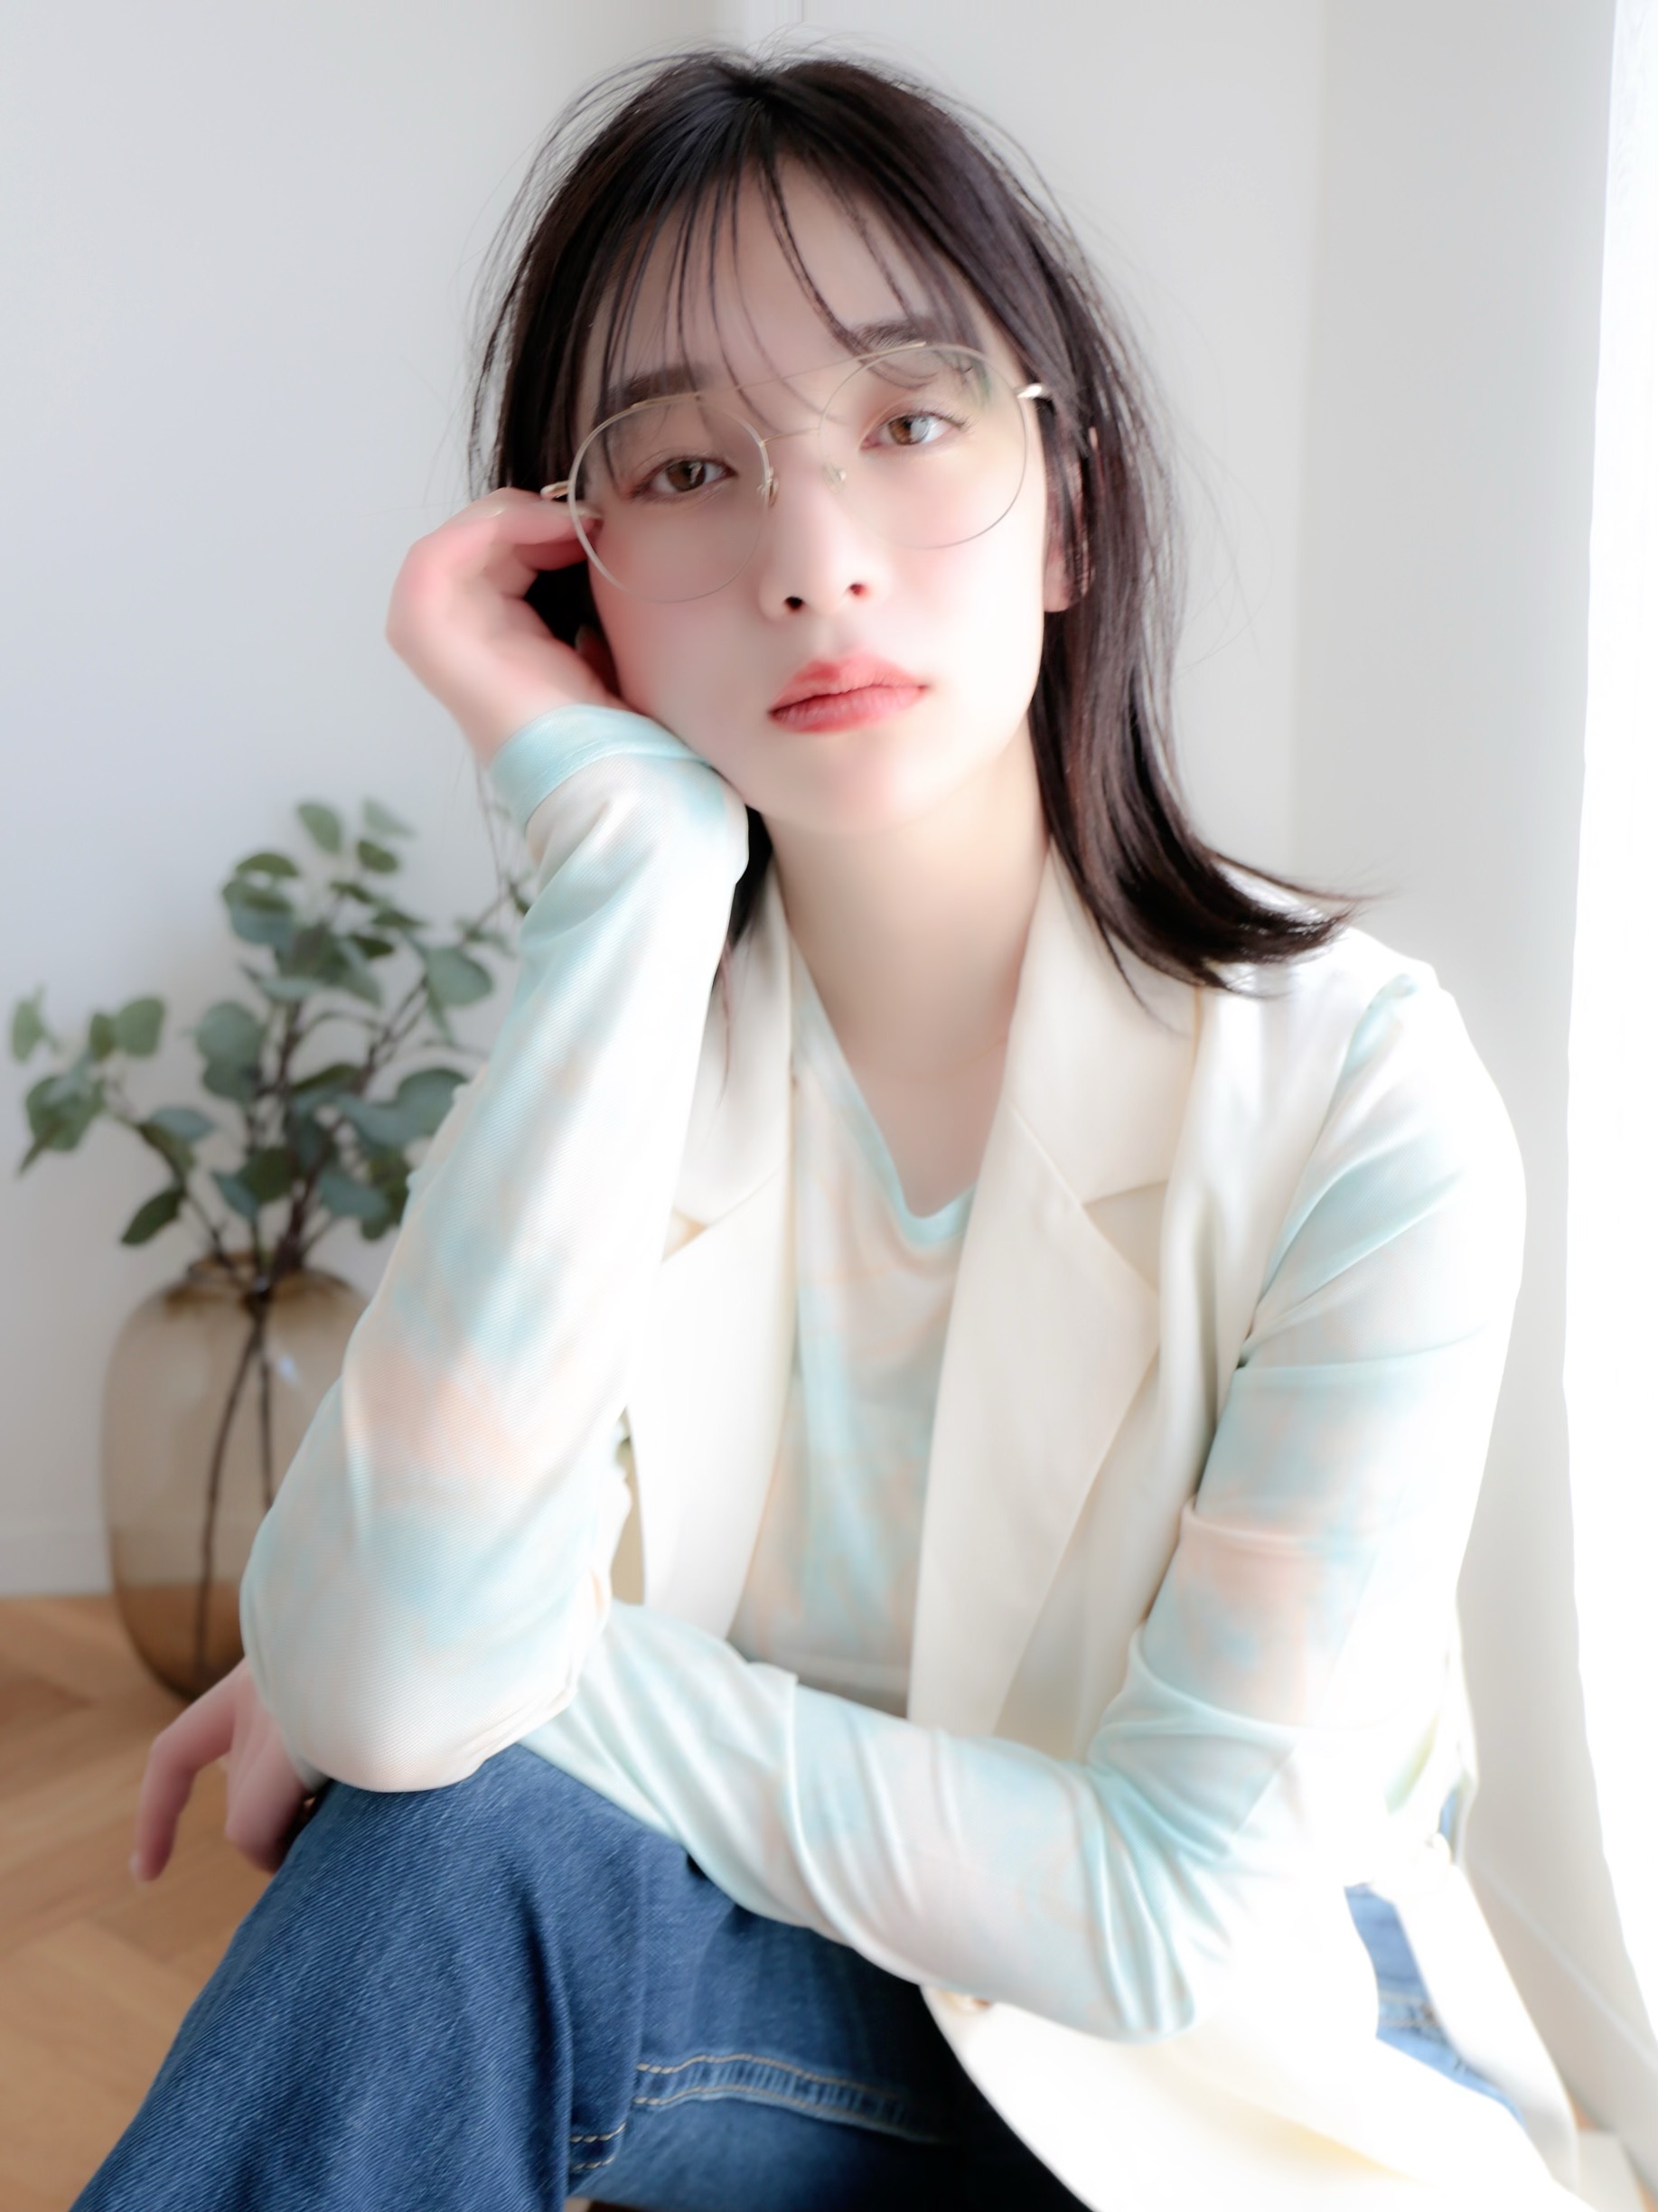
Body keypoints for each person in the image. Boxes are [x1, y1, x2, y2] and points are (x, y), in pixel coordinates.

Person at [78, 45, 1584, 2212]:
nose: (812, 561)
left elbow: (1165, 1921)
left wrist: (532, 1661)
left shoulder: (1362, 1098)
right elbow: (394, 1700)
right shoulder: (610, 1053)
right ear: (582, 587)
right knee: (449, 1840)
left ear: (1070, 512)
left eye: (909, 423)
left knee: (474, 1781)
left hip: (1227, 2093)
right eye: (688, 467)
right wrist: (624, 867)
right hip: (793, 2026)